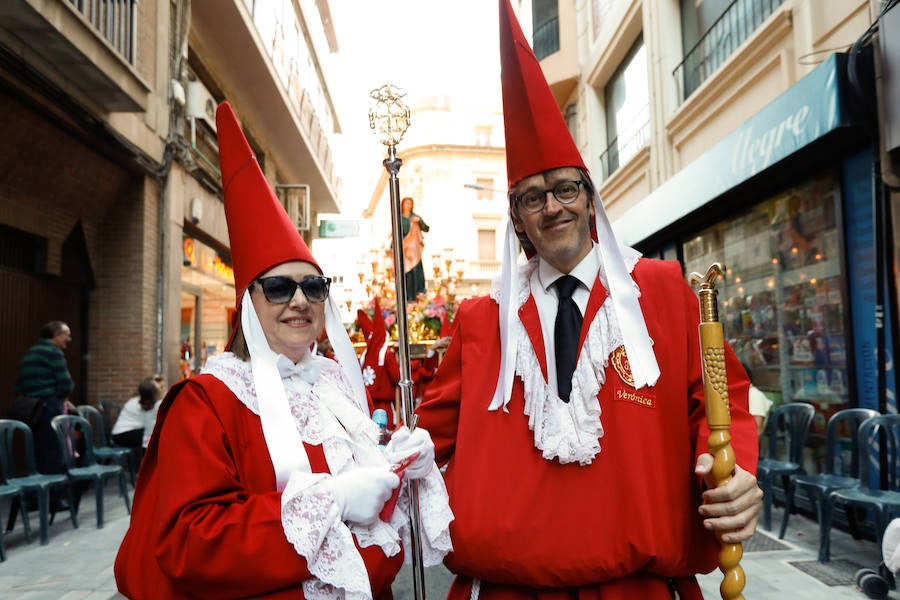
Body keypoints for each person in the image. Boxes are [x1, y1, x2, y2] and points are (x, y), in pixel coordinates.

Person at [413, 3, 762, 599]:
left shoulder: (664, 291)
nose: (552, 207)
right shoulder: (480, 320)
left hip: (645, 587)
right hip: (509, 589)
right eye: (532, 198)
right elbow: (424, 442)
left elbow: (721, 399)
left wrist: (736, 475)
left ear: (590, 198)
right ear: (516, 221)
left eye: (565, 189)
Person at [115, 102, 452, 599]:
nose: (299, 300)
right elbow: (192, 541)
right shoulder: (207, 401)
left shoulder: (334, 384)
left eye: (313, 287)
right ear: (249, 305)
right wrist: (331, 500)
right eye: (278, 288)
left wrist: (398, 467)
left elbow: (368, 503)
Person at [13, 320, 74, 476]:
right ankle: (53, 496)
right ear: (57, 335)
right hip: (49, 407)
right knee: (53, 450)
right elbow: (66, 383)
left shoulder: (31, 351)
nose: (69, 339)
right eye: (67, 335)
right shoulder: (54, 352)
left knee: (36, 450)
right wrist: (63, 398)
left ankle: (34, 495)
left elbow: (19, 383)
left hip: (31, 409)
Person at [111, 378, 162, 455]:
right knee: (153, 436)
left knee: (151, 435)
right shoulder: (144, 405)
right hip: (122, 435)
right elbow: (150, 425)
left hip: (120, 434)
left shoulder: (137, 401)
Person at [400, 196, 430, 301]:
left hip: (415, 250)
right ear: (402, 205)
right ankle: (408, 296)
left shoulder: (415, 217)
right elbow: (396, 234)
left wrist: (419, 222)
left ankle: (418, 293)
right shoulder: (399, 218)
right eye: (406, 203)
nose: (408, 205)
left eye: (410, 203)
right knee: (407, 273)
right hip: (405, 248)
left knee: (417, 272)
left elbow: (426, 229)